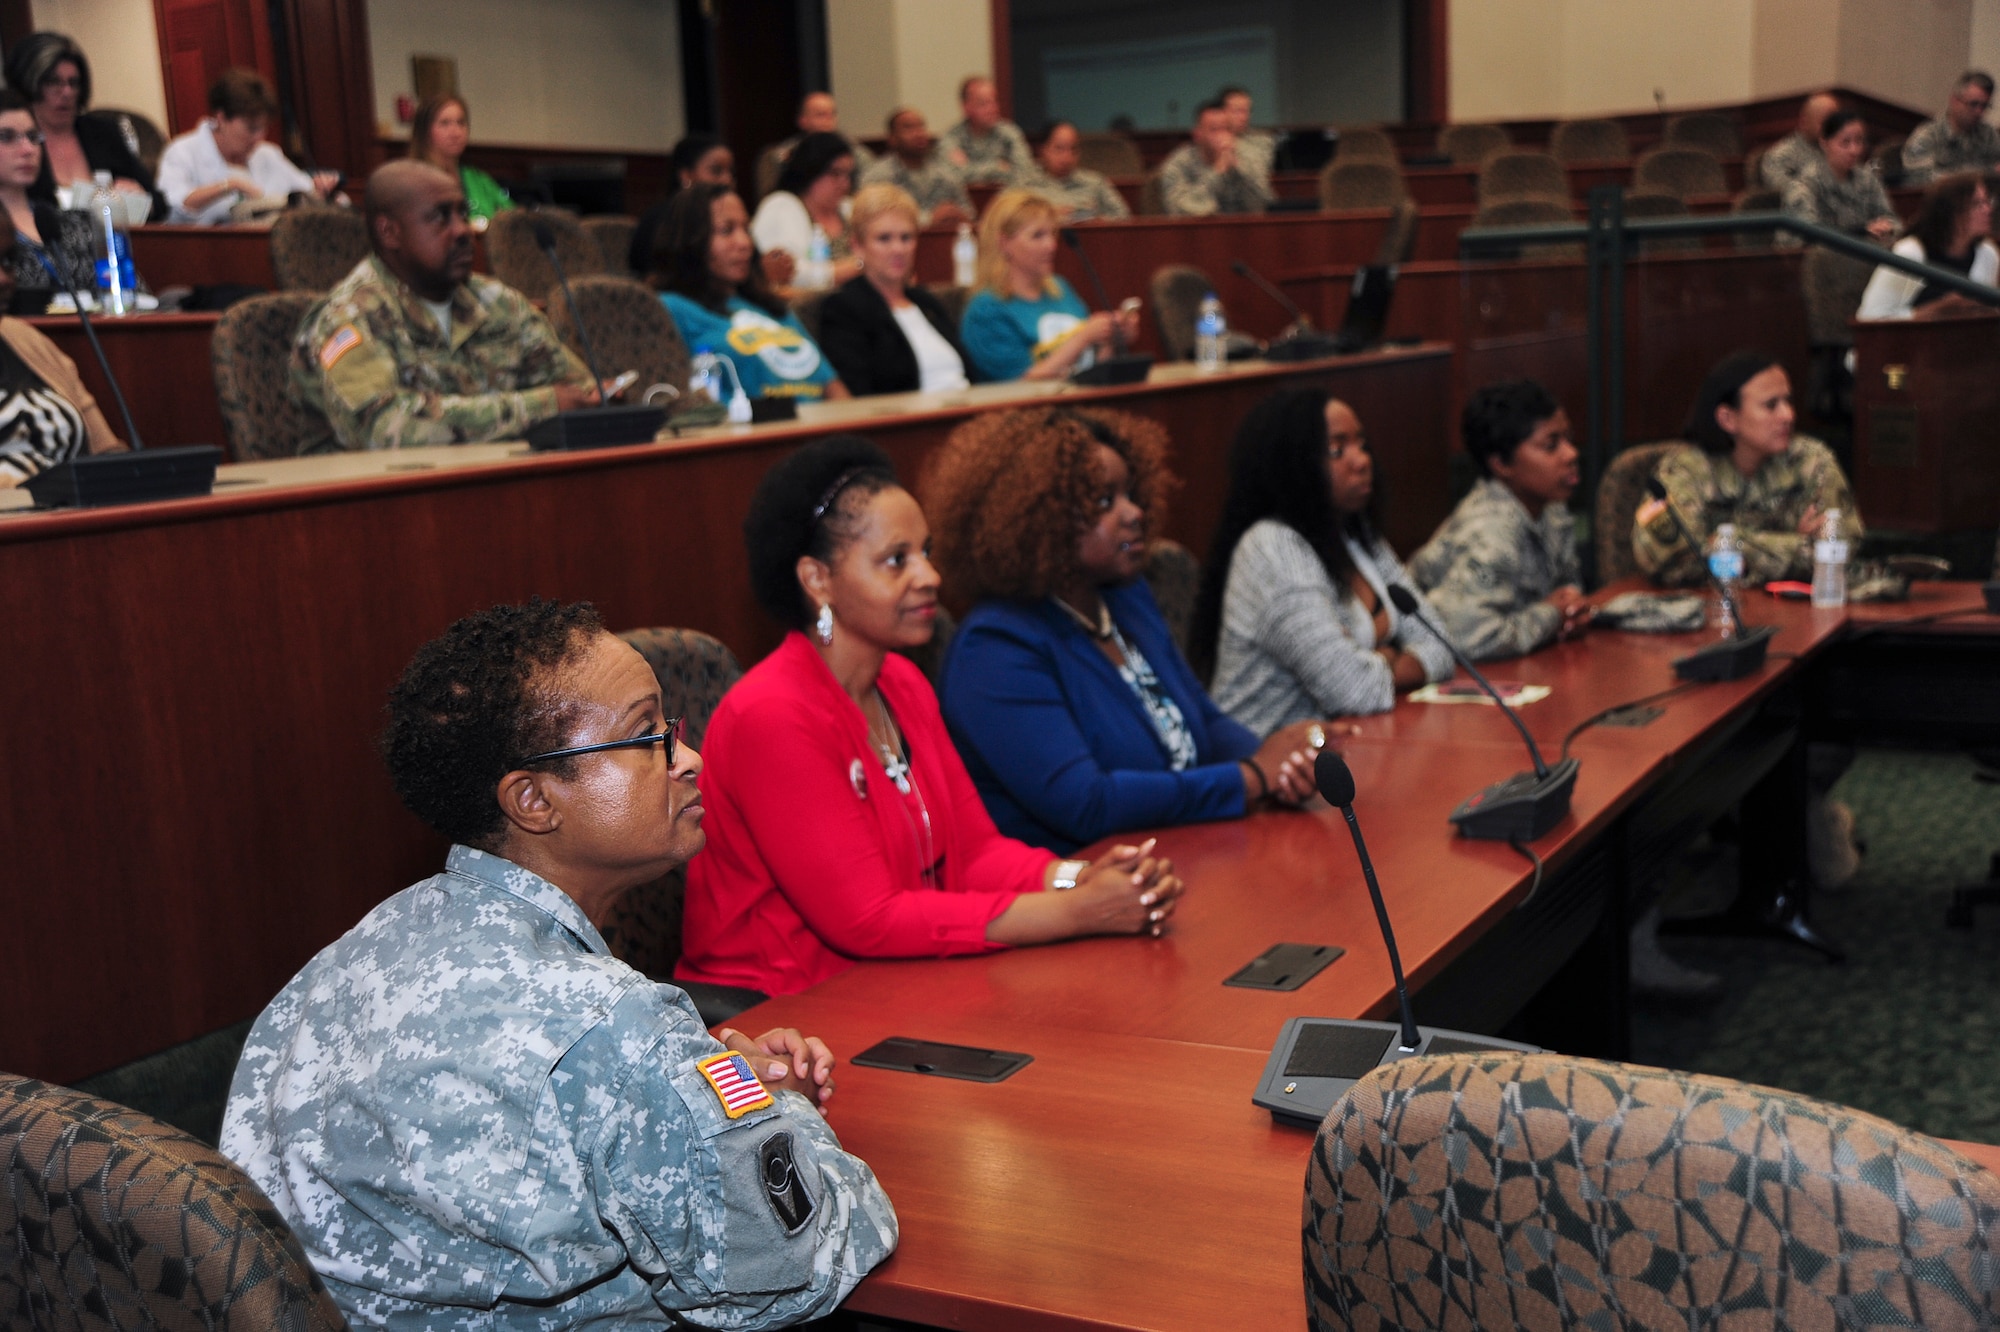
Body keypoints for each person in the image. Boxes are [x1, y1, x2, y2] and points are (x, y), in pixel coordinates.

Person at [220, 598, 898, 1328]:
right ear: (535, 800)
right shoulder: (616, 1029)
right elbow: (799, 1270)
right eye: (649, 738)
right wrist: (777, 1109)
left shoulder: (341, 963)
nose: (689, 757)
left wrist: (707, 1086)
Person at [677, 436, 1185, 996]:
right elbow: (869, 921)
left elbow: (975, 855)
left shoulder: (902, 681)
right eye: (897, 560)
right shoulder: (770, 715)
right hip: (787, 1013)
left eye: (926, 552)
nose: (930, 576)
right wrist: (1080, 913)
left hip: (904, 982)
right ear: (817, 579)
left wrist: (1081, 879)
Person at [927, 407, 1327, 853]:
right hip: (1086, 887)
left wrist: (1283, 765)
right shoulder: (995, 650)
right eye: (1103, 501)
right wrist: (1250, 777)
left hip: (1188, 848)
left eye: (1130, 494)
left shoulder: (1125, 598)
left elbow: (1203, 721)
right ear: (1037, 518)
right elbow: (1087, 803)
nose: (1133, 512)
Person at [291, 160, 603, 452]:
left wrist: (592, 398)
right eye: (440, 218)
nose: (462, 231)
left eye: (463, 215)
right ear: (390, 232)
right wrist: (541, 406)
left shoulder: (497, 302)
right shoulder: (350, 315)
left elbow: (579, 391)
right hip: (368, 501)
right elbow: (383, 427)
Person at [1194, 390, 1455, 732]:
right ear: (1291, 465)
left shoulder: (1357, 536)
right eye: (1336, 450)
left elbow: (1442, 646)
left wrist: (1379, 665)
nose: (1362, 461)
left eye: (1361, 444)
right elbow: (1355, 690)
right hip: (1270, 765)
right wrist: (1388, 659)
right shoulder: (1273, 548)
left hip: (1354, 742)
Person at [1632, 350, 1864, 587]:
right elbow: (1671, 563)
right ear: (1727, 418)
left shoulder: (1810, 460)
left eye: (1789, 402)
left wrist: (1726, 545)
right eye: (1771, 405)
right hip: (1710, 611)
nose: (1788, 415)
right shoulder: (1683, 472)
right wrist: (1795, 544)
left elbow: (1840, 549)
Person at [1409, 379, 1591, 662]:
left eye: (1569, 438)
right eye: (1551, 445)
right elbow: (1469, 639)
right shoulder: (1489, 531)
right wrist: (1553, 616)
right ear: (1502, 465)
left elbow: (1567, 587)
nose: (1571, 453)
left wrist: (1571, 609)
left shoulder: (1551, 507)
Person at [652, 182, 847, 402]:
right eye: (727, 230)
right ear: (691, 239)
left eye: (746, 229)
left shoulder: (770, 306)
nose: (744, 242)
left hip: (822, 426)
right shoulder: (671, 308)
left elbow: (832, 387)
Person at [958, 188, 1136, 382]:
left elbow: (1090, 370)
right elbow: (1020, 384)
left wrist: (1110, 338)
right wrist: (1083, 338)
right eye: (1038, 236)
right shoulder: (986, 310)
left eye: (1052, 234)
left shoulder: (1060, 289)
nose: (1052, 245)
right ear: (1004, 243)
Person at [817, 183, 976, 395]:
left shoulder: (926, 302)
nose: (898, 249)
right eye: (884, 238)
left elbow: (972, 376)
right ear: (857, 246)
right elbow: (861, 395)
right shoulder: (844, 309)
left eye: (906, 238)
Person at [0, 228, 124, 486]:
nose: (4, 279)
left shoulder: (25, 339)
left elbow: (106, 449)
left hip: (71, 514)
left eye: (7, 262)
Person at [2, 31, 157, 217]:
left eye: (74, 83)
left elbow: (159, 204)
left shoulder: (103, 133)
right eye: (54, 82)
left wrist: (140, 199)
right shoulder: (20, 146)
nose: (67, 92)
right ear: (29, 84)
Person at [157, 67, 336, 225]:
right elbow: (172, 207)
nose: (259, 136)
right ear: (221, 118)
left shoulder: (267, 154)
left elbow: (305, 192)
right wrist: (230, 185)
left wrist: (319, 191)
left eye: (263, 128)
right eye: (251, 128)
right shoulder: (183, 152)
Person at [0, 90, 104, 297]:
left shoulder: (76, 223)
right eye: (7, 137)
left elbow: (132, 293)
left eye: (32, 136)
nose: (28, 149)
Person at [1857, 172, 1998, 320]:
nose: (1988, 210)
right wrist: (1924, 314)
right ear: (1952, 212)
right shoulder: (1909, 253)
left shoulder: (1987, 254)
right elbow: (1868, 317)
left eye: (1988, 202)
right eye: (1977, 204)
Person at [750, 131, 859, 294]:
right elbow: (788, 273)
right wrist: (859, 266)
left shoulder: (848, 207)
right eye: (835, 173)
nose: (844, 183)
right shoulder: (782, 205)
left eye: (848, 175)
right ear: (811, 171)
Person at [1782, 108, 1898, 242]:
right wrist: (1861, 231)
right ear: (1824, 143)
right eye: (1845, 142)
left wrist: (1886, 227)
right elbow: (1808, 234)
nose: (1854, 150)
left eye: (1859, 141)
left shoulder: (1867, 179)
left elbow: (1894, 222)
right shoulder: (1805, 184)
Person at [628, 132, 736, 276]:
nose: (727, 180)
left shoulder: (735, 216)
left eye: (731, 172)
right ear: (686, 176)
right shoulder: (660, 220)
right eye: (716, 171)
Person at [407, 92, 511, 225]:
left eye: (461, 123)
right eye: (445, 123)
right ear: (425, 131)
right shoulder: (413, 181)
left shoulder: (477, 178)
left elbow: (513, 217)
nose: (456, 132)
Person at [1158, 99, 1273, 216]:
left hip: (1243, 231)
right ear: (1197, 135)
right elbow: (1181, 211)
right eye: (1214, 129)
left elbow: (1264, 205)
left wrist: (1241, 170)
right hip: (1197, 232)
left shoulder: (1247, 157)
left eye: (1227, 129)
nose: (1222, 136)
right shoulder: (1179, 164)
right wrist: (1217, 172)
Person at [859, 107, 971, 226]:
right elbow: (871, 218)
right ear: (892, 139)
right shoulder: (878, 177)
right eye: (908, 128)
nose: (918, 133)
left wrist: (958, 215)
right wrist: (929, 218)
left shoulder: (945, 173)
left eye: (921, 127)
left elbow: (969, 213)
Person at [755, 91, 874, 201]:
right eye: (821, 115)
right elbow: (771, 197)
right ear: (803, 121)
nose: (828, 121)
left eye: (832, 114)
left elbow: (868, 190)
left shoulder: (853, 151)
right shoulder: (783, 155)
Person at [1901, 71, 2000, 185]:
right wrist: (1974, 178)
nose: (1979, 112)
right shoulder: (1928, 135)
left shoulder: (1988, 135)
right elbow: (1919, 177)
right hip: (1939, 199)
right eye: (1974, 104)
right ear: (1954, 101)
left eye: (1984, 106)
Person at [1026, 121, 1129, 222]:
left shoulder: (1095, 182)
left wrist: (1101, 221)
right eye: (1059, 149)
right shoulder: (1027, 184)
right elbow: (1014, 222)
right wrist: (1049, 216)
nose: (1067, 158)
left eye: (1073, 149)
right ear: (1043, 150)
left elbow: (1123, 216)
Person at [942, 76, 1034, 185]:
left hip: (1007, 196)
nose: (993, 109)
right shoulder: (951, 137)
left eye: (994, 101)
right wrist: (999, 167)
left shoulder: (1009, 133)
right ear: (966, 107)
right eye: (984, 103)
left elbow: (1025, 172)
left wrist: (972, 168)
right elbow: (954, 175)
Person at [1759, 92, 1840, 192]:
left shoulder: (1838, 150)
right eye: (1826, 122)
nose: (1833, 128)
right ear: (1804, 123)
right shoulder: (1780, 156)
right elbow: (1787, 193)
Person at [1218, 86, 1276, 187]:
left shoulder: (1261, 141)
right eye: (1237, 111)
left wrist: (1231, 154)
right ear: (1222, 112)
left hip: (1252, 198)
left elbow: (1256, 179)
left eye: (1247, 111)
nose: (1244, 117)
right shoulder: (1210, 142)